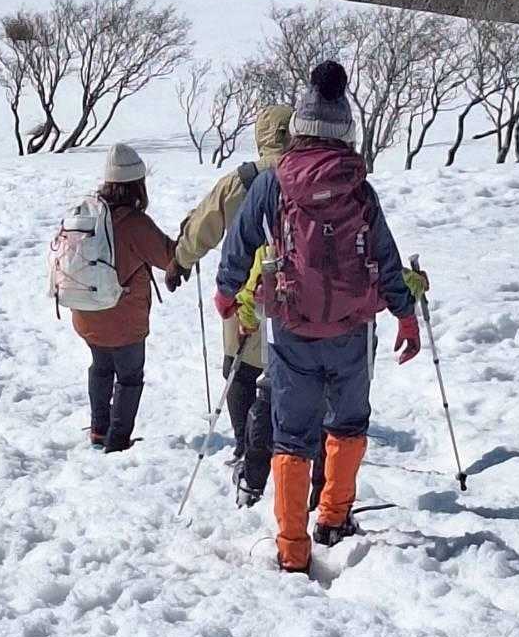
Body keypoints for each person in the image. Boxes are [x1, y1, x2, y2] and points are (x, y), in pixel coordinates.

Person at [215, 62, 420, 574]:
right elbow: (386, 257)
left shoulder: (274, 182)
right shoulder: (359, 188)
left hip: (291, 326)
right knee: (347, 422)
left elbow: (240, 243)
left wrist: (226, 294)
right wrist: (405, 315)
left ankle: (291, 546)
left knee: (291, 434)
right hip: (353, 327)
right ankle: (333, 517)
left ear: (300, 127)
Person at [165, 105, 293, 465]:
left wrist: (181, 260)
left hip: (243, 291)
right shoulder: (311, 173)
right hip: (301, 292)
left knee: (240, 370)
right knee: (294, 370)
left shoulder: (242, 180)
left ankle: (246, 446)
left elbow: (203, 225)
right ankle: (289, 444)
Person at [72, 144, 175, 454]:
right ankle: (117, 440)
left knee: (100, 367)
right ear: (137, 184)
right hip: (124, 320)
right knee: (129, 376)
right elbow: (169, 257)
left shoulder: (87, 213)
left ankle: (99, 430)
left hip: (87, 311)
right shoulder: (135, 223)